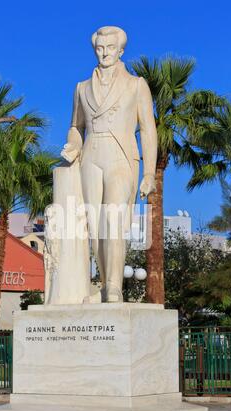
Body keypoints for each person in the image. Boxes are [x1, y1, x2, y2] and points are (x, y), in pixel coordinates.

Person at [61, 26, 158, 303]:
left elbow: (148, 130)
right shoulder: (81, 88)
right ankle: (104, 284)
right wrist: (74, 145)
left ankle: (115, 285)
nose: (105, 53)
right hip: (91, 156)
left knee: (114, 220)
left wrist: (149, 172)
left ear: (121, 51)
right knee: (96, 226)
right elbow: (76, 127)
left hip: (121, 155)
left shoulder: (136, 85)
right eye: (100, 49)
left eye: (110, 48)